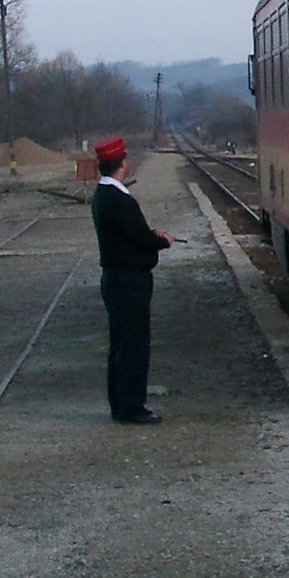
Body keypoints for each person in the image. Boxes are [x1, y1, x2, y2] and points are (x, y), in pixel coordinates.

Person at [90, 136, 174, 424]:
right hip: (129, 281)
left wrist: (149, 236)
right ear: (123, 163)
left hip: (115, 279)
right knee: (134, 346)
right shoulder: (120, 200)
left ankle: (120, 404)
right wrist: (162, 240)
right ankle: (132, 407)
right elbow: (140, 237)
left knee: (120, 345)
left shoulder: (102, 195)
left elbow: (129, 234)